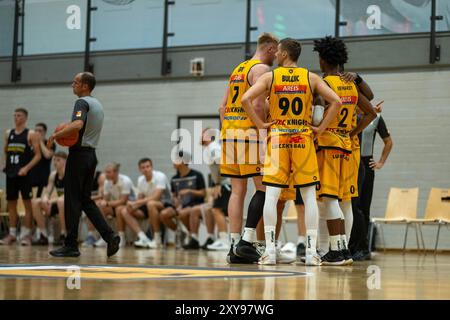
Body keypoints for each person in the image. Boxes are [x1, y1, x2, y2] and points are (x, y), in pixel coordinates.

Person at [241, 38, 343, 265]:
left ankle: (269, 252)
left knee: (272, 195)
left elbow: (245, 99)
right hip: (303, 138)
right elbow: (336, 101)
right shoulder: (311, 77)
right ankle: (310, 252)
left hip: (277, 138)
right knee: (308, 197)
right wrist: (321, 128)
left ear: (285, 54)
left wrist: (259, 124)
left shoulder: (271, 77)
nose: (276, 55)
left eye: (278, 52)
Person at [313, 36, 377, 265]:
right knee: (347, 202)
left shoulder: (324, 84)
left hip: (329, 144)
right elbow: (371, 112)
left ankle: (337, 250)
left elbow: (318, 115)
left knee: (329, 200)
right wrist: (352, 132)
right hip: (348, 146)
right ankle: (344, 250)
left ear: (323, 60)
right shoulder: (350, 83)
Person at [219, 32, 279, 263]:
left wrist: (228, 131)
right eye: (277, 51)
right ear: (272, 49)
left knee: (237, 191)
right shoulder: (261, 70)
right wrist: (262, 130)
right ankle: (247, 240)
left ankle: (234, 244)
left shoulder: (238, 69)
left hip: (229, 133)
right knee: (264, 188)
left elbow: (222, 107)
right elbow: (256, 104)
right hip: (249, 134)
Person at [47, 72, 120, 258]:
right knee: (85, 200)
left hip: (79, 156)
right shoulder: (98, 105)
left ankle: (71, 245)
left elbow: (78, 124)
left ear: (85, 86)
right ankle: (110, 236)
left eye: (76, 82)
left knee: (72, 200)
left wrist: (57, 135)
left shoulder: (81, 103)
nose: (73, 84)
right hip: (91, 156)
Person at [350, 107, 393, 260]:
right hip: (349, 162)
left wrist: (380, 162)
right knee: (351, 206)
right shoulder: (348, 112)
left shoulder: (376, 117)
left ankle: (363, 247)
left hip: (366, 164)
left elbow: (388, 142)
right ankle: (350, 245)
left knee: (363, 207)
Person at [1, 108, 41, 246]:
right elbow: (5, 151)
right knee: (11, 204)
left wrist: (26, 168)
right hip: (11, 173)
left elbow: (38, 155)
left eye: (19, 115)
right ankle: (12, 234)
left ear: (25, 118)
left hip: (24, 175)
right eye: (15, 115)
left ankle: (26, 234)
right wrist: (3, 164)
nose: (16, 117)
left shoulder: (31, 134)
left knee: (27, 205)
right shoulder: (8, 133)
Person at [120, 158, 171, 249]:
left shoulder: (160, 176)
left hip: (165, 204)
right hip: (148, 205)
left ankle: (157, 239)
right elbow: (140, 197)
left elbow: (156, 197)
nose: (146, 169)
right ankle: (143, 237)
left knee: (151, 203)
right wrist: (133, 206)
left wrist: (136, 202)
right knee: (124, 210)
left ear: (152, 167)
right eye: (143, 167)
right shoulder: (140, 179)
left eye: (148, 166)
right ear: (140, 169)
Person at [159, 151, 206, 248]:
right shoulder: (174, 179)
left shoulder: (197, 175)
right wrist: (176, 201)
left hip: (195, 204)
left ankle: (192, 237)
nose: (173, 162)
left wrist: (189, 191)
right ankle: (179, 232)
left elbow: (203, 193)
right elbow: (174, 196)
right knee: (164, 214)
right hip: (180, 206)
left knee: (182, 213)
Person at [195, 128, 231, 251]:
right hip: (222, 182)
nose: (200, 136)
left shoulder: (213, 147)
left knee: (217, 210)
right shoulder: (210, 148)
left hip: (224, 184)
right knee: (216, 210)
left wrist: (218, 184)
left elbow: (221, 165)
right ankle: (223, 239)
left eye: (203, 134)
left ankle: (224, 241)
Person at [95, 162, 135, 247]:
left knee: (119, 208)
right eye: (106, 172)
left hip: (129, 204)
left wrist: (107, 203)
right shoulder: (107, 182)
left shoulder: (125, 180)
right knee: (99, 206)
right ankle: (105, 236)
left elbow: (123, 201)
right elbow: (105, 199)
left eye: (109, 172)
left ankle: (121, 238)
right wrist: (103, 203)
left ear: (116, 172)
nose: (106, 174)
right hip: (115, 204)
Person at [31, 151, 67, 246]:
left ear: (65, 162)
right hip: (60, 203)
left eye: (58, 160)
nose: (55, 162)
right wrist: (45, 199)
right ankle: (43, 235)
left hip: (72, 205)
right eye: (54, 160)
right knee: (36, 202)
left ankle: (64, 234)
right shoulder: (53, 175)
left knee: (60, 201)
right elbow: (47, 191)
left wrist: (51, 200)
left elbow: (69, 195)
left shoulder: (70, 174)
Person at [29, 123, 56, 198]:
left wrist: (40, 141)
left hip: (43, 177)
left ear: (45, 132)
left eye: (40, 131)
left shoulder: (50, 143)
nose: (37, 132)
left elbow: (47, 155)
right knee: (30, 200)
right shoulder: (31, 144)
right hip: (31, 177)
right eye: (36, 131)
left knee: (40, 201)